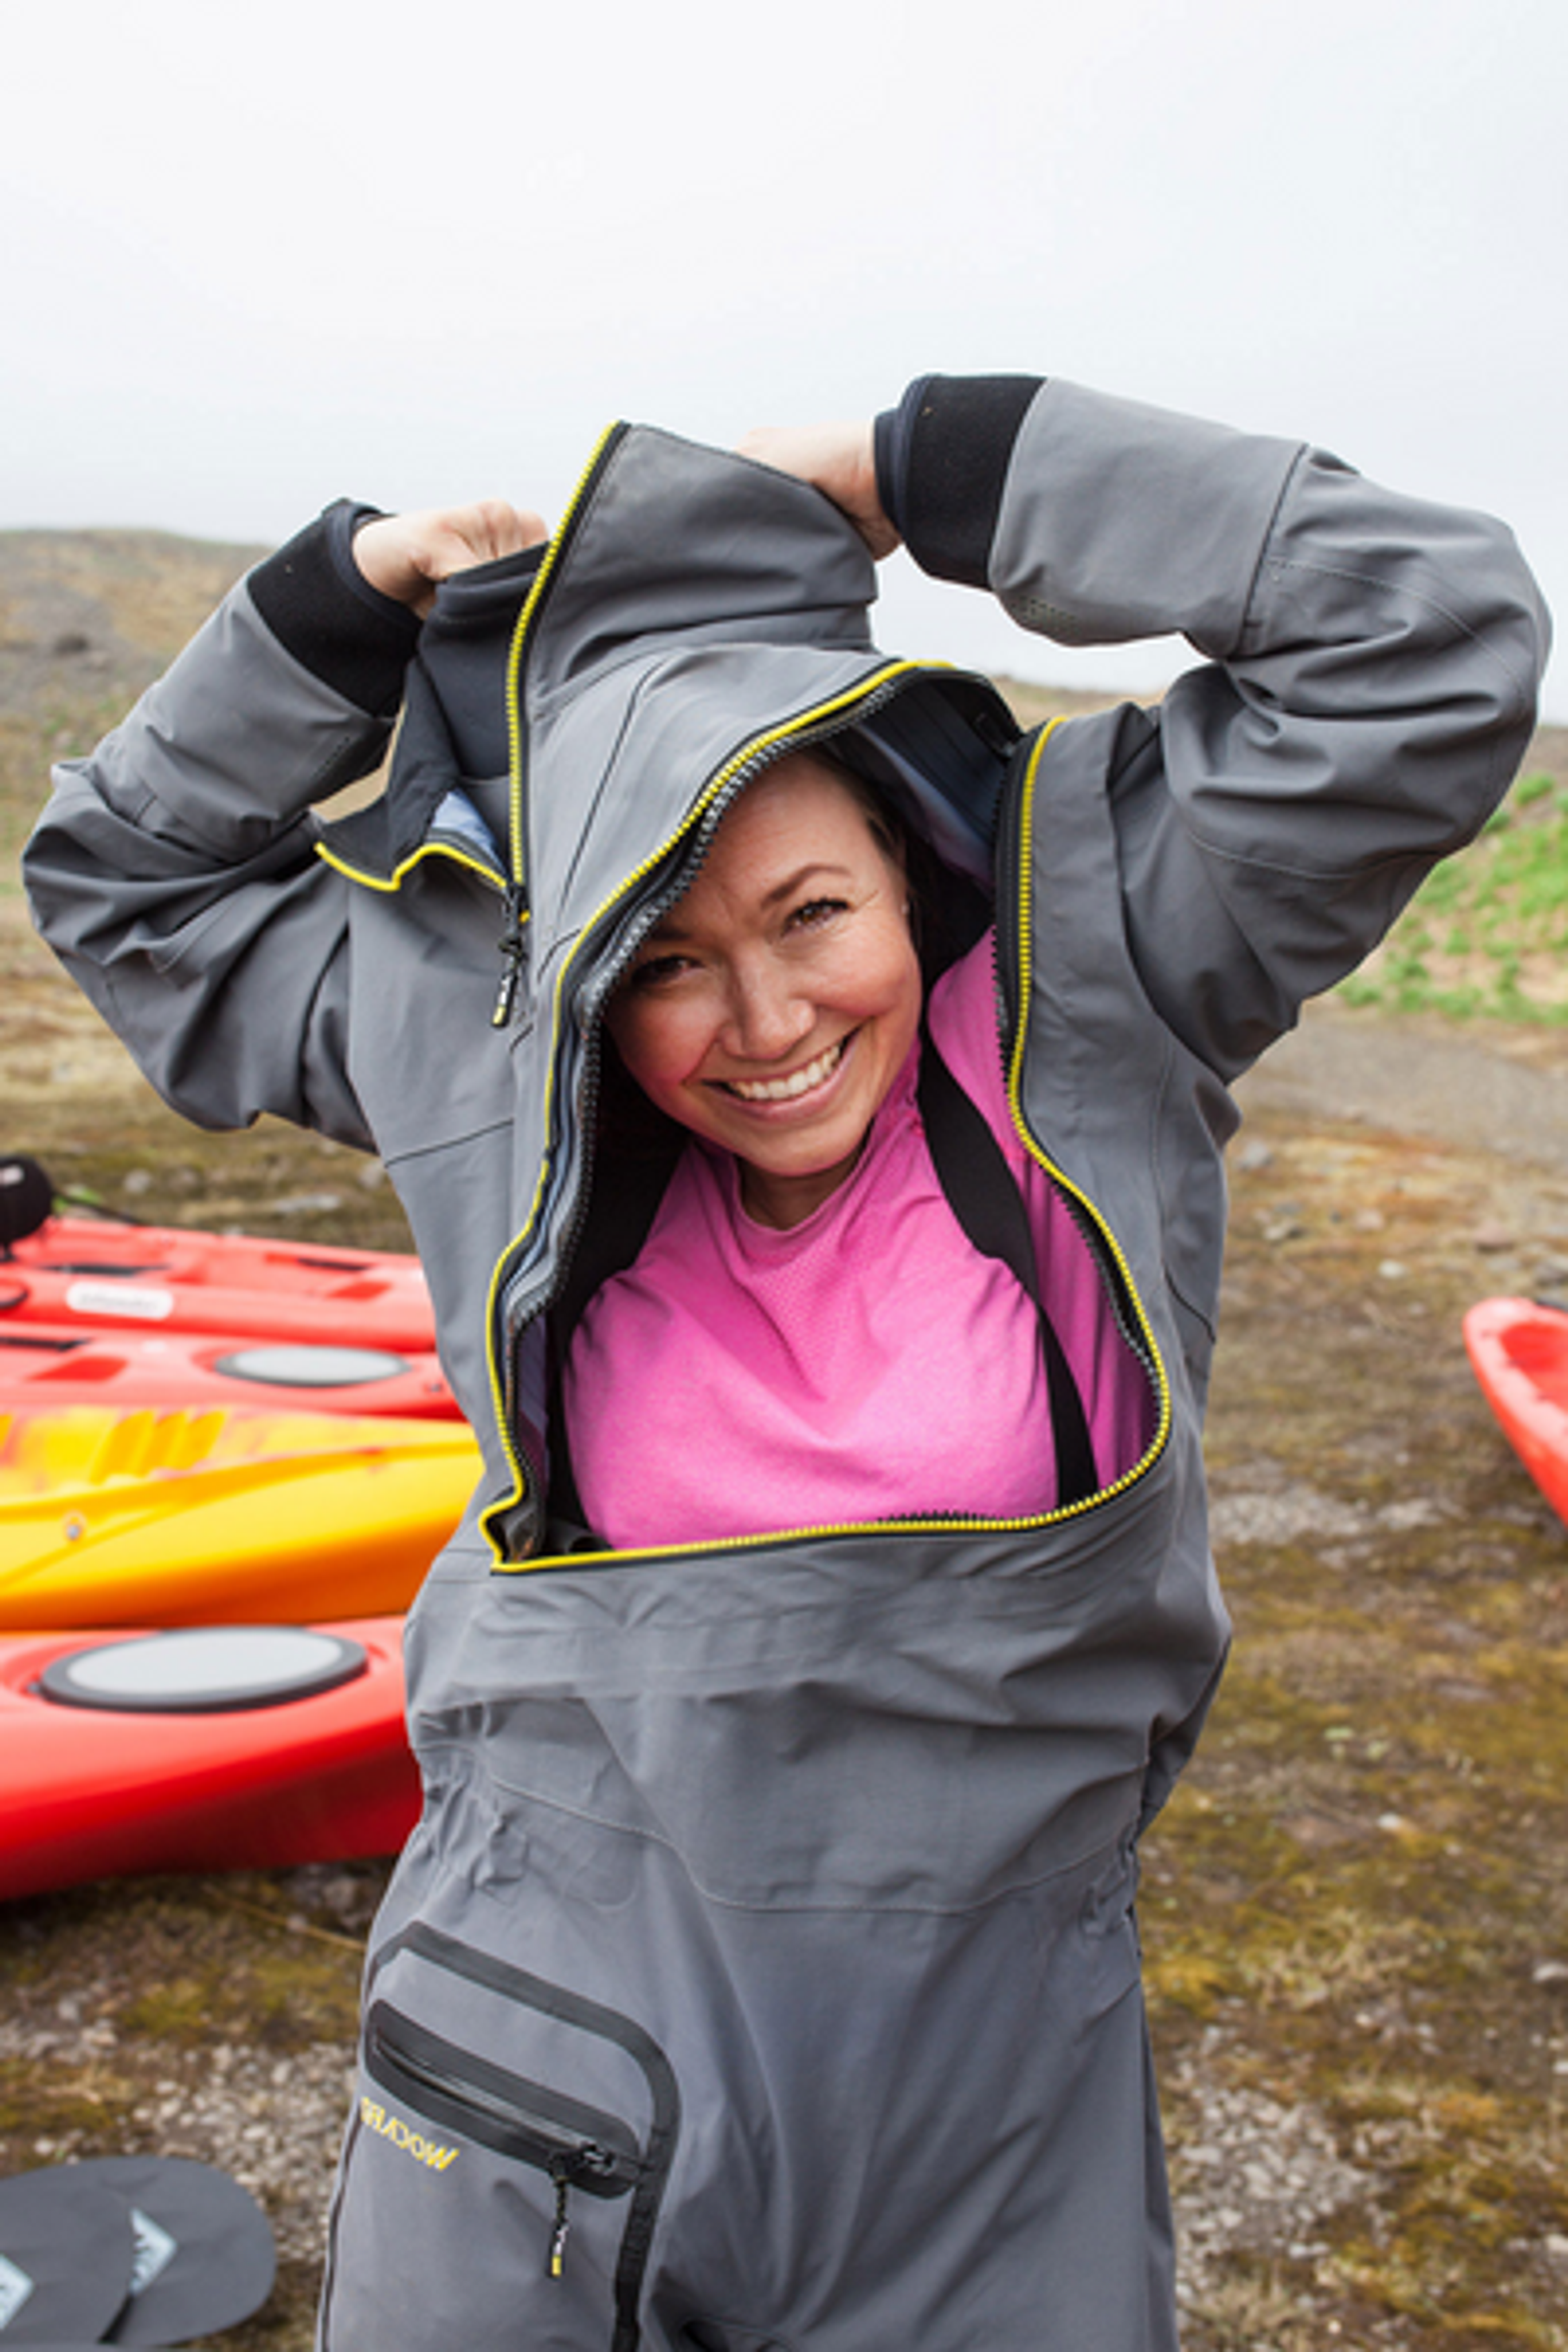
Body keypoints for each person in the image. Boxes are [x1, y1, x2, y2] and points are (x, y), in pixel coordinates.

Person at [24, 376, 1548, 2351]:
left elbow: (1426, 637)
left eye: (813, 912)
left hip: (1002, 2100)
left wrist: (943, 471)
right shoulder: (468, 1019)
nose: (763, 1021)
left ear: (908, 866)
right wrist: (334, 606)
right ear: (583, 963)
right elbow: (124, 886)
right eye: (663, 955)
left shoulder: (1104, 955)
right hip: (534, 2043)